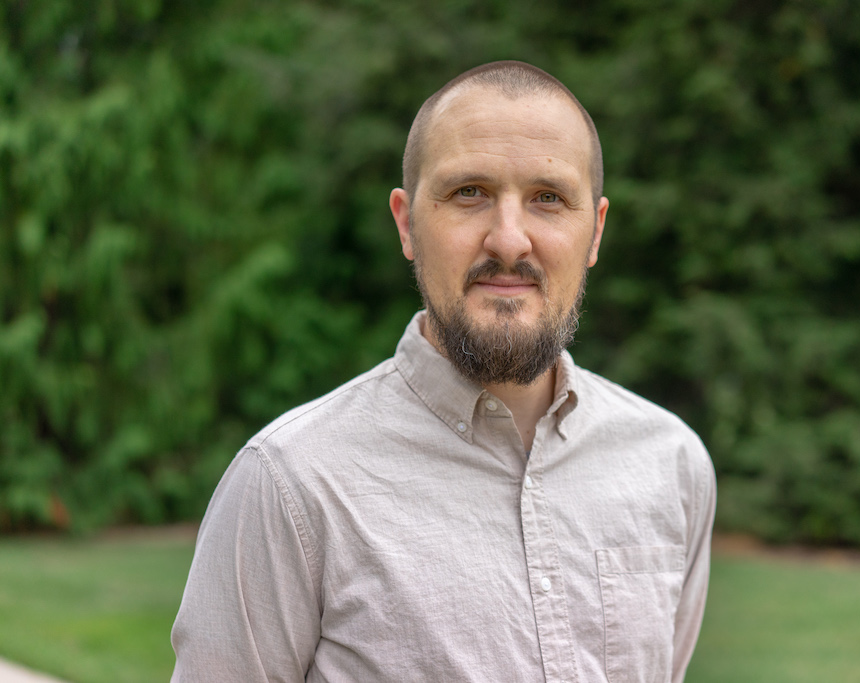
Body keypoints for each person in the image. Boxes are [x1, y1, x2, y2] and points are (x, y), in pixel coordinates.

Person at [171, 60, 716, 683]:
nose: (509, 241)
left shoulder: (671, 464)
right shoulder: (291, 482)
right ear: (407, 224)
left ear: (594, 231)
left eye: (548, 199)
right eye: (469, 193)